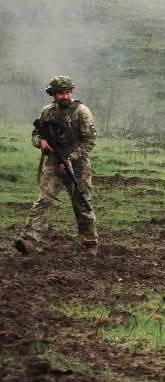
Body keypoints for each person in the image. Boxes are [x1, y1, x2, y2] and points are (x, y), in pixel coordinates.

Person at [14, 76, 99, 255]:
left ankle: (90, 242)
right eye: (60, 93)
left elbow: (89, 141)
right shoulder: (47, 112)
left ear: (72, 92)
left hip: (78, 165)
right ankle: (30, 240)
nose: (64, 96)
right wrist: (41, 142)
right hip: (53, 162)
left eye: (67, 92)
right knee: (44, 200)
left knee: (82, 203)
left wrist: (71, 158)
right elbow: (36, 133)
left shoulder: (82, 112)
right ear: (53, 94)